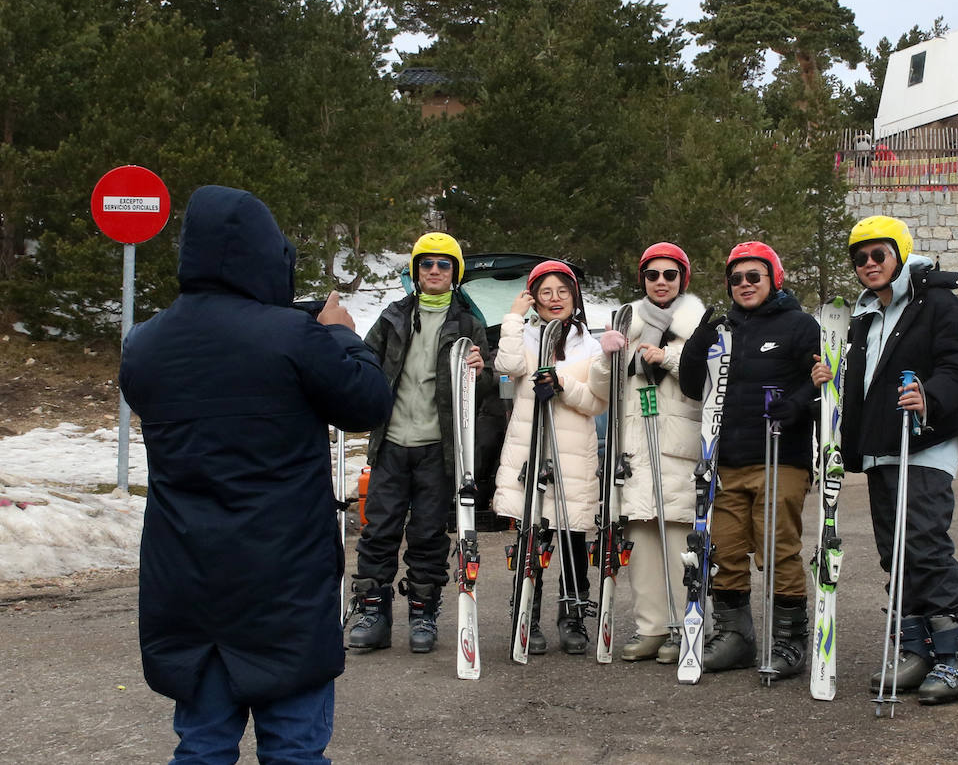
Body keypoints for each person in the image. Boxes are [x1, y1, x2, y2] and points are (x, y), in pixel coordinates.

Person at [119, 185, 392, 762]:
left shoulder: (144, 344)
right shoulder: (294, 336)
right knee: (293, 747)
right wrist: (339, 333)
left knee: (201, 745)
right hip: (283, 576)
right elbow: (367, 403)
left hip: (186, 573)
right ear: (267, 256)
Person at [812, 215, 958, 704]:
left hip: (925, 440)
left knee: (925, 542)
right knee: (894, 549)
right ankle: (917, 648)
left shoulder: (939, 304)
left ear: (901, 253)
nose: (869, 264)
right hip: (881, 445)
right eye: (860, 257)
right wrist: (834, 377)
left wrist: (929, 395)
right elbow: (866, 380)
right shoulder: (866, 315)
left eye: (879, 254)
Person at [680, 241, 819, 679]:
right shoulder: (725, 330)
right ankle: (736, 636)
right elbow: (690, 385)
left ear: (773, 279)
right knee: (725, 551)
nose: (744, 285)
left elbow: (824, 385)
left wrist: (797, 405)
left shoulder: (799, 325)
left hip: (781, 457)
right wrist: (700, 340)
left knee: (777, 549)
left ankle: (789, 640)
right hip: (727, 461)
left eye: (753, 276)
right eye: (736, 278)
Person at [348, 233, 491, 655]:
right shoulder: (393, 317)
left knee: (428, 534)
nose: (433, 270)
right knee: (379, 530)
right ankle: (373, 612)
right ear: (415, 271)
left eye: (443, 265)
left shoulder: (467, 324)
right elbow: (363, 365)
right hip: (391, 443)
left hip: (438, 448)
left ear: (455, 273)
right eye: (425, 264)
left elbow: (481, 391)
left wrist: (480, 372)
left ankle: (423, 614)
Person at [588, 243, 706, 663]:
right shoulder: (626, 322)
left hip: (677, 447)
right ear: (643, 279)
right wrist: (606, 356)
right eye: (652, 274)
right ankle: (652, 628)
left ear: (682, 279)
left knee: (680, 545)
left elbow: (708, 380)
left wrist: (670, 357)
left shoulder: (699, 324)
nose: (660, 281)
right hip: (635, 449)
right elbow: (602, 391)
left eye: (669, 275)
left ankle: (686, 625)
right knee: (640, 546)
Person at [493, 260, 607, 654]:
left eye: (563, 291)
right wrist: (512, 317)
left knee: (573, 541)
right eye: (546, 292)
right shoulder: (524, 338)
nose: (555, 299)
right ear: (534, 299)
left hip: (573, 458)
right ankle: (527, 613)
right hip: (531, 451)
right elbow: (506, 367)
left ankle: (573, 617)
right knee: (531, 539)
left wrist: (561, 385)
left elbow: (597, 401)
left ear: (574, 297)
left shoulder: (590, 346)